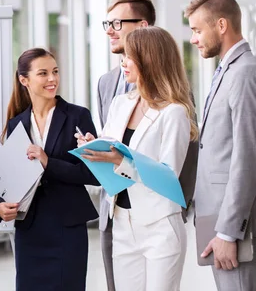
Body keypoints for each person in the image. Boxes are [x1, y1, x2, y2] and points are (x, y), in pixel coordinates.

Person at [79, 26, 198, 291]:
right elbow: (110, 157)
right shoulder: (121, 103)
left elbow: (168, 175)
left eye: (130, 56)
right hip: (121, 220)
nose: (123, 62)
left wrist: (119, 161)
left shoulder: (174, 112)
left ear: (150, 60)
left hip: (160, 226)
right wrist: (92, 149)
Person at [0, 48, 100, 290]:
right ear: (24, 80)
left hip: (67, 229)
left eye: (55, 72)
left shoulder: (77, 116)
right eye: (43, 73)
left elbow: (91, 174)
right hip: (30, 230)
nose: (52, 79)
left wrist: (47, 162)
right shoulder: (16, 123)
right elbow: (9, 176)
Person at [185, 0, 256, 290]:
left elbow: (247, 155)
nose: (193, 39)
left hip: (235, 228)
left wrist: (229, 232)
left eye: (198, 30)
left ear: (222, 26)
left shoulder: (244, 73)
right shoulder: (225, 71)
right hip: (216, 218)